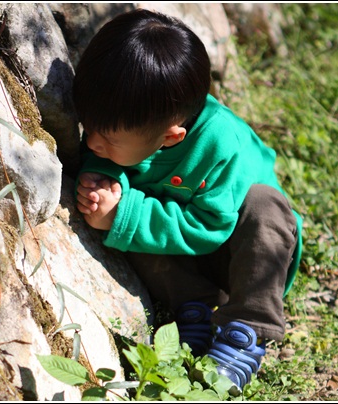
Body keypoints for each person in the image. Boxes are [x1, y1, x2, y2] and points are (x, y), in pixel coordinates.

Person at [73, 8, 303, 391]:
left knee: (266, 207)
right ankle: (192, 308)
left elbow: (211, 226)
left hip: (240, 255)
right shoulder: (128, 121)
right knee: (133, 212)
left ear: (171, 138)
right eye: (89, 126)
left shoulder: (220, 144)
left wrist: (124, 213)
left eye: (108, 139)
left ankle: (245, 331)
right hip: (185, 254)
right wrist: (104, 186)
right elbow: (100, 161)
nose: (93, 142)